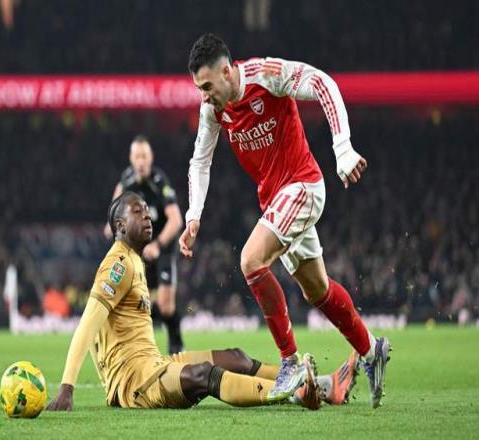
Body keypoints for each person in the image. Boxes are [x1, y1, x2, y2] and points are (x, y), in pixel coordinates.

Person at [179, 33, 391, 408]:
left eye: (208, 86)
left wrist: (342, 148)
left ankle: (290, 363)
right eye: (199, 89)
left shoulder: (267, 75)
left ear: (227, 71)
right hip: (276, 200)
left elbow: (322, 83)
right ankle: (371, 350)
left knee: (250, 260)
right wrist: (194, 214)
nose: (204, 96)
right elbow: (200, 162)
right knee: (317, 291)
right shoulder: (213, 110)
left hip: (303, 186)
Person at [47, 192, 359, 411]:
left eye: (147, 210)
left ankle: (322, 386)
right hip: (134, 382)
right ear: (119, 225)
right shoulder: (117, 265)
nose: (148, 215)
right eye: (137, 211)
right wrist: (67, 387)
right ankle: (295, 393)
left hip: (153, 364)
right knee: (204, 376)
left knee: (235, 358)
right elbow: (87, 324)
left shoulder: (134, 260)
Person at [104, 135, 184, 354]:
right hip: (140, 250)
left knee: (166, 305)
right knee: (138, 301)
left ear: (151, 158)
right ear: (131, 158)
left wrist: (157, 245)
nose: (141, 161)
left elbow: (176, 220)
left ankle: (176, 344)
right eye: (137, 156)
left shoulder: (159, 182)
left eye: (144, 156)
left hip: (163, 248)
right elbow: (115, 205)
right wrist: (110, 224)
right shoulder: (126, 180)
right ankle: (139, 349)